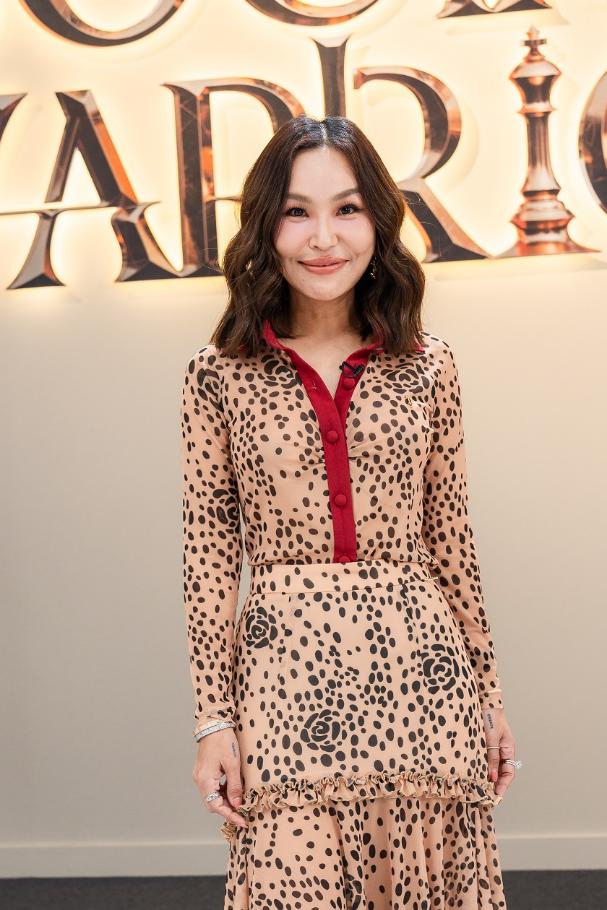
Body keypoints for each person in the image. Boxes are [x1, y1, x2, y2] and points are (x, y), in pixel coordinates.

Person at [180, 114, 519, 909]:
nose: (323, 238)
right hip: (282, 681)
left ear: (378, 221)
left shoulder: (428, 365)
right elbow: (207, 560)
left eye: (347, 209)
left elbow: (451, 541)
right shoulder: (217, 374)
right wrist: (212, 722)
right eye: (296, 212)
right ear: (265, 226)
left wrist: (489, 697)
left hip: (421, 680)